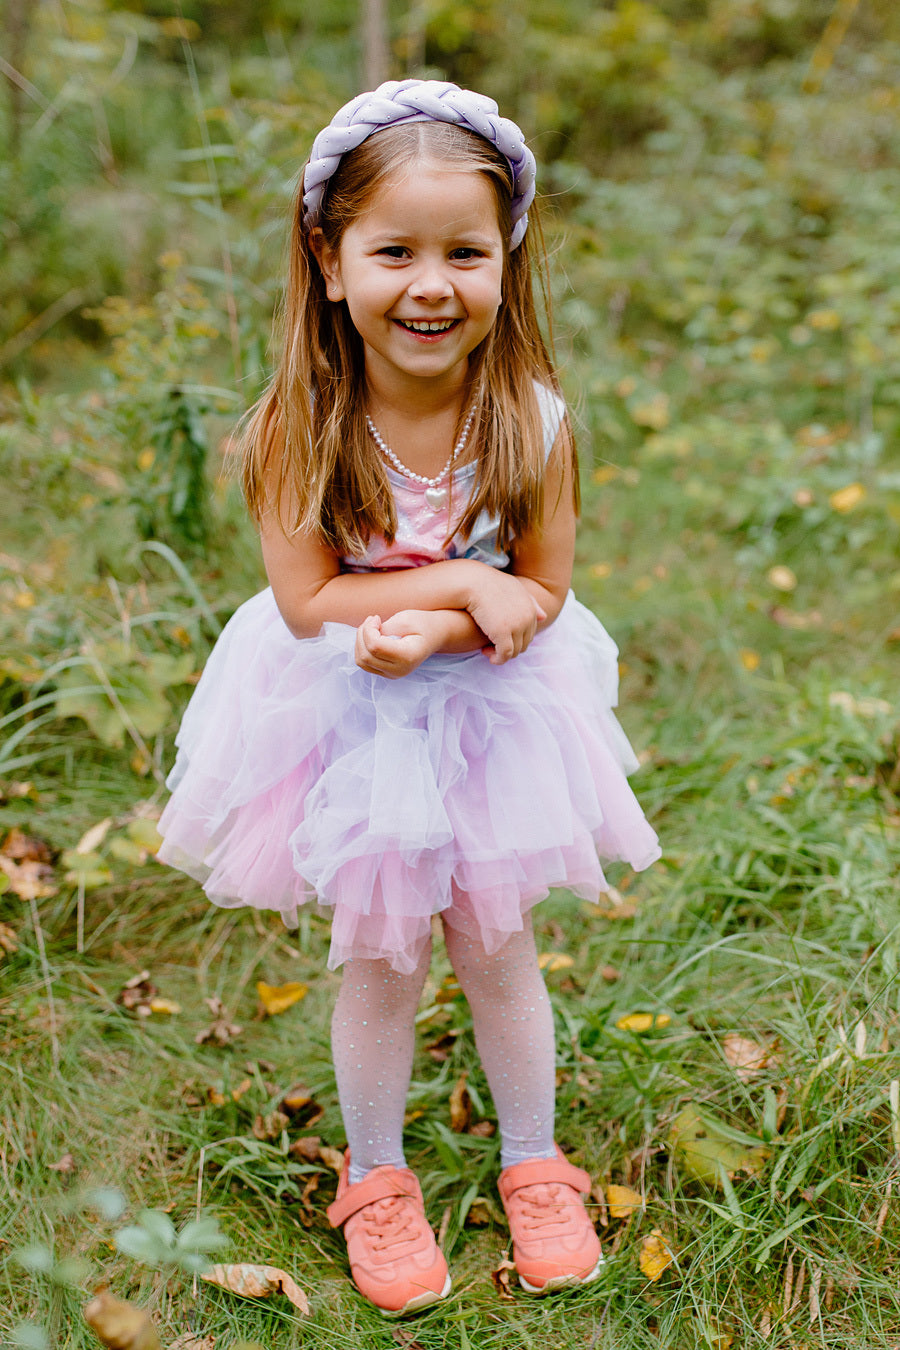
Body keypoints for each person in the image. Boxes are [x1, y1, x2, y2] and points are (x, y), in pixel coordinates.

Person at [158, 78, 661, 1317]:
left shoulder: (531, 420)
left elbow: (538, 593)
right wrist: (446, 588)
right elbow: (304, 603)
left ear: (506, 261)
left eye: (464, 253)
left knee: (497, 943)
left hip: (492, 715)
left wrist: (466, 618)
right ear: (331, 263)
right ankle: (375, 1178)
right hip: (347, 713)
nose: (430, 284)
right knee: (380, 958)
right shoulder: (298, 423)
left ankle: (533, 1158)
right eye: (395, 251)